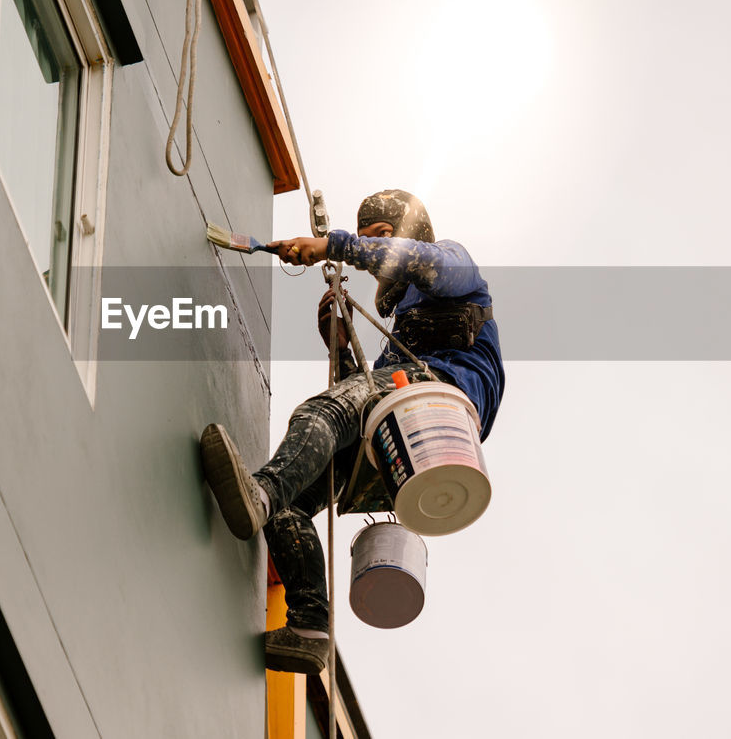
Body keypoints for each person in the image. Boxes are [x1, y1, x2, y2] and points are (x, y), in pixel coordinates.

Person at [200, 190, 506, 674]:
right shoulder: (400, 339)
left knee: (318, 413)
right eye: (371, 243)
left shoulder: (454, 264)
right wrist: (338, 346)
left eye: (384, 239)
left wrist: (337, 246)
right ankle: (308, 627)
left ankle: (260, 493)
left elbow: (423, 266)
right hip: (404, 418)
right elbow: (361, 395)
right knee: (294, 503)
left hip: (441, 394)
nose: (379, 256)